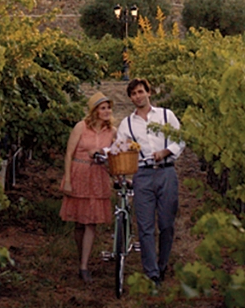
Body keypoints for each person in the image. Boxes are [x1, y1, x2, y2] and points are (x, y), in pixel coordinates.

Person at [115, 78, 185, 286]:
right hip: (142, 175)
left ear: (149, 93)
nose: (138, 96)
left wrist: (165, 152)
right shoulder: (126, 124)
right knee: (145, 227)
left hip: (166, 173)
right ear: (130, 98)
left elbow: (180, 139)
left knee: (166, 225)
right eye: (134, 94)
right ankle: (151, 273)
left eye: (140, 92)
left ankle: (162, 265)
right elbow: (120, 149)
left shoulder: (166, 115)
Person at [60, 91, 117, 283]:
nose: (107, 111)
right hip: (80, 175)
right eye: (103, 108)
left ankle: (84, 266)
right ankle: (81, 255)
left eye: (108, 107)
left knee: (91, 221)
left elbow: (117, 156)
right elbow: (69, 154)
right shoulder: (81, 127)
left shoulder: (112, 132)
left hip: (97, 178)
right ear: (94, 111)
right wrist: (67, 180)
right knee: (79, 222)